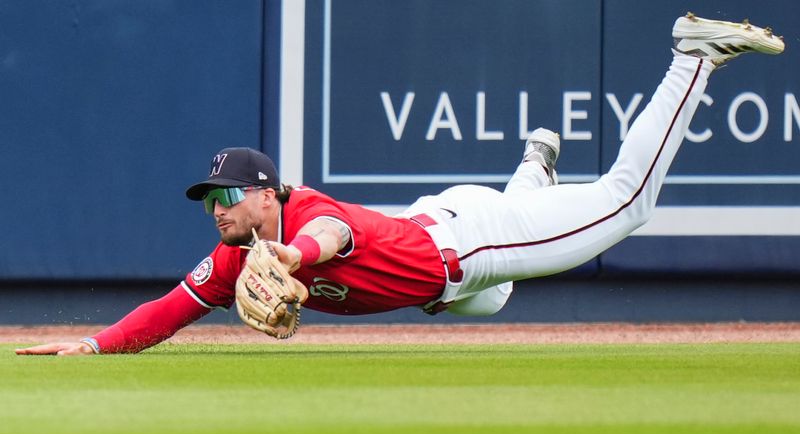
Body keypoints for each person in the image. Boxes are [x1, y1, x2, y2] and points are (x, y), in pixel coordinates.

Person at [16, 13, 785, 355]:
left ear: (265, 193)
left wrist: (291, 259)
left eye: (226, 196)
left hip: (470, 243)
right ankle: (533, 171)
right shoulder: (233, 259)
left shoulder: (303, 217)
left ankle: (693, 56)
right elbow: (168, 309)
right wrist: (93, 342)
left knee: (628, 204)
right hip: (443, 258)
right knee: (493, 300)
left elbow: (333, 236)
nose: (217, 210)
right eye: (207, 201)